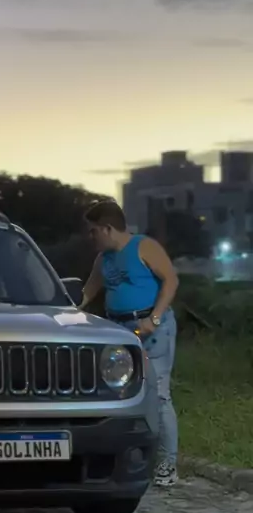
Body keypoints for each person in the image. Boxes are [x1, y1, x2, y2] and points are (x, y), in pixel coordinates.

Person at [81, 198, 179, 487]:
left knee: (159, 395)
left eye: (93, 231)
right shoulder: (103, 259)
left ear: (108, 229)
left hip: (152, 328)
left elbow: (171, 281)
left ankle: (168, 463)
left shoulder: (144, 247)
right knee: (120, 395)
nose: (91, 237)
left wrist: (155, 318)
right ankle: (128, 457)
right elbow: (88, 291)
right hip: (119, 330)